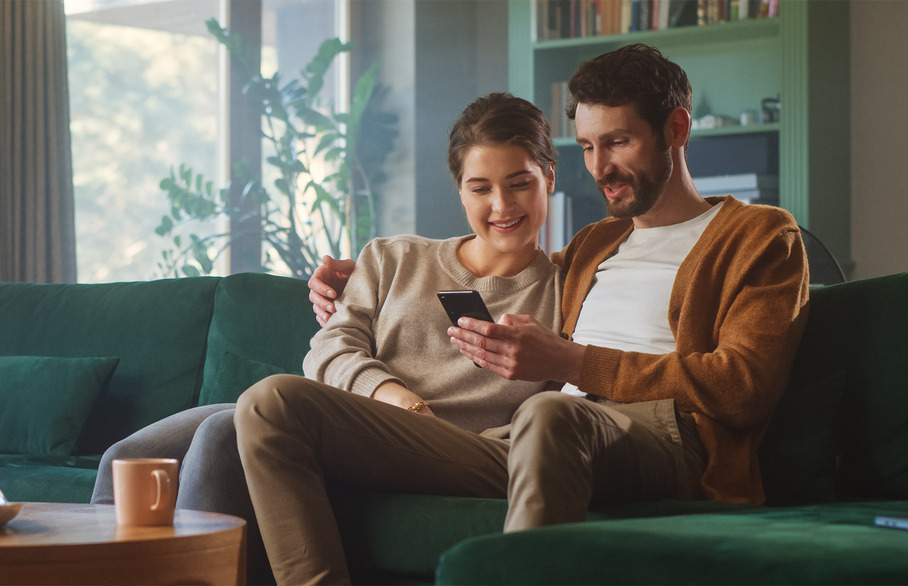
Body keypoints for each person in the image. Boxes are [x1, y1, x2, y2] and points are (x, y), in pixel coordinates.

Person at [309, 41, 809, 535]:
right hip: (540, 431)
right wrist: (364, 278)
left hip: (662, 434)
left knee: (549, 413)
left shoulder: (759, 236)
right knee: (275, 405)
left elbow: (743, 386)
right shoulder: (594, 245)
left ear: (676, 129)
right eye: (588, 147)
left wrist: (572, 363)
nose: (598, 168)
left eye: (617, 142)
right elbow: (512, 265)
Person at [94, 92, 563, 584]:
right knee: (126, 458)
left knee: (223, 434)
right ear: (460, 191)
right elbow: (328, 349)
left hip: (439, 447)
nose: (501, 205)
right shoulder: (393, 257)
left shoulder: (566, 292)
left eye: (520, 183)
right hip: (341, 413)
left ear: (549, 178)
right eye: (480, 188)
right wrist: (398, 399)